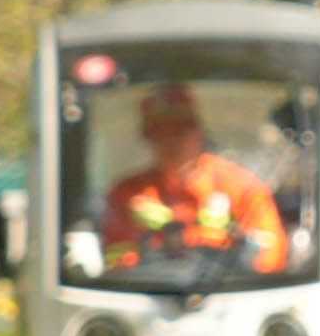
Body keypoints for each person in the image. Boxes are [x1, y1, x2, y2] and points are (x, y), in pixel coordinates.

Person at [96, 77, 294, 273]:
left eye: (181, 128)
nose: (171, 140)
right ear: (147, 136)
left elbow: (271, 256)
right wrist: (149, 253)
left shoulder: (241, 186)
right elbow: (114, 259)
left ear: (199, 131)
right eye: (160, 130)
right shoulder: (127, 194)